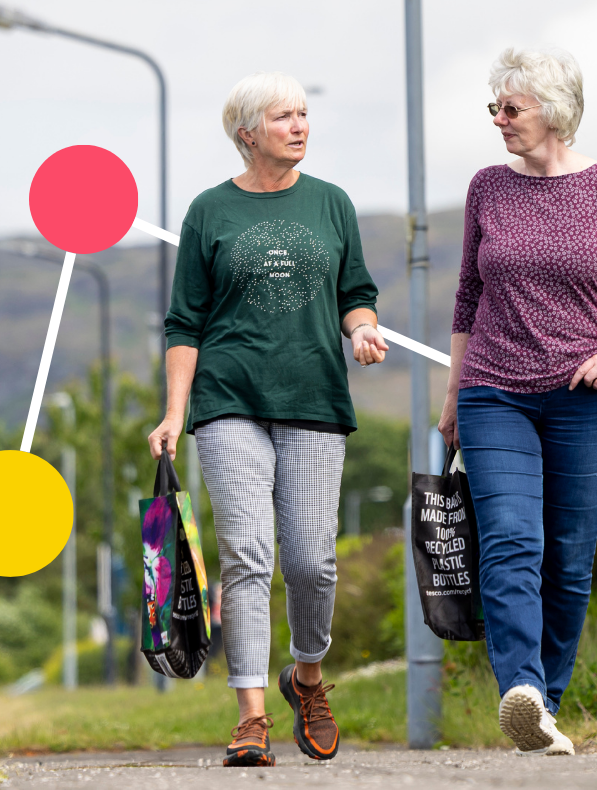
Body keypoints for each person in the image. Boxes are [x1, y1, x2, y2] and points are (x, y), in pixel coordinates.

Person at [437, 48, 597, 755]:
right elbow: (467, 296)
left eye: (511, 109)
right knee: (513, 542)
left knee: (569, 562)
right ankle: (524, 690)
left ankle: (547, 708)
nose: (499, 121)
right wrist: (453, 396)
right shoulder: (487, 187)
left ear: (556, 110)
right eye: (495, 109)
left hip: (584, 398)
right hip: (494, 392)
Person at [148, 71, 388, 768]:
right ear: (247, 133)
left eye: (305, 114)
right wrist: (174, 412)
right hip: (228, 401)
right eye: (285, 116)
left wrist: (363, 330)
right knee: (248, 558)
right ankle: (251, 715)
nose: (301, 125)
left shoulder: (332, 204)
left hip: (314, 399)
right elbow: (184, 321)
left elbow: (357, 293)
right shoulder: (209, 212)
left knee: (312, 560)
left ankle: (306, 680)